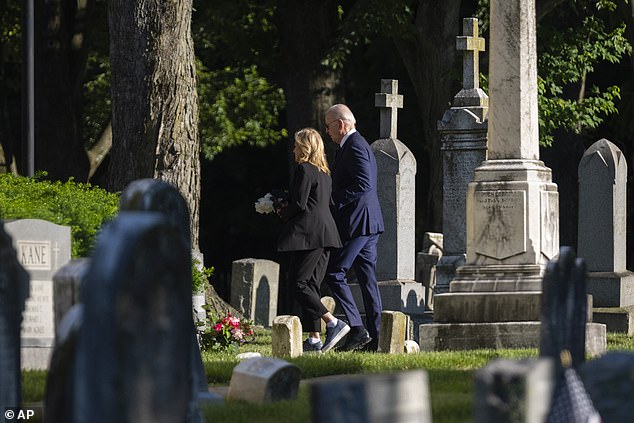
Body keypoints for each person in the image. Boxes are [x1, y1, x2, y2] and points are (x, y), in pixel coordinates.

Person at [277, 127, 350, 353]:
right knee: (311, 285)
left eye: (297, 145)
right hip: (327, 233)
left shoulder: (304, 169)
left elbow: (299, 204)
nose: (293, 149)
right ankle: (315, 339)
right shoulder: (324, 173)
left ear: (305, 147)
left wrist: (281, 210)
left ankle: (333, 322)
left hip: (310, 234)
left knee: (297, 283)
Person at [323, 104, 384, 351]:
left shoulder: (356, 145)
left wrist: (333, 201)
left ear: (340, 124)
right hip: (366, 222)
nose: (327, 131)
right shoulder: (347, 146)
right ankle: (376, 339)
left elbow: (363, 184)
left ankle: (357, 329)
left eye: (328, 126)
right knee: (367, 281)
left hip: (359, 222)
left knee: (335, 272)